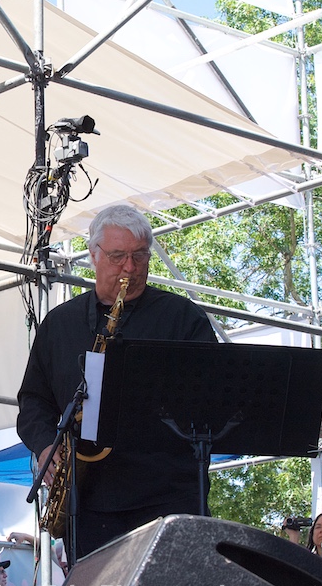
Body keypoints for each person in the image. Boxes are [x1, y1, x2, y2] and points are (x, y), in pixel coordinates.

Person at [17, 204, 217, 559]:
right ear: (93, 255)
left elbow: (211, 399)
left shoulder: (183, 319)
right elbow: (33, 401)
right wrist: (46, 446)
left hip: (167, 496)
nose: (130, 268)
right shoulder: (60, 324)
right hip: (89, 502)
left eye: (139, 256)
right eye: (118, 256)